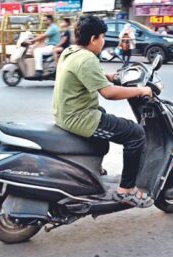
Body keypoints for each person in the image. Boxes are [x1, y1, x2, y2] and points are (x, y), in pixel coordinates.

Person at [52, 14, 153, 208]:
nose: (103, 41)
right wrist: (141, 90)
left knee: (104, 114)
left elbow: (83, 75)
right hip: (79, 118)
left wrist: (109, 75)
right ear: (93, 39)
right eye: (102, 37)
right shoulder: (87, 59)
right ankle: (126, 191)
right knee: (136, 134)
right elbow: (109, 93)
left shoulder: (70, 52)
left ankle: (93, 169)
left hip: (65, 114)